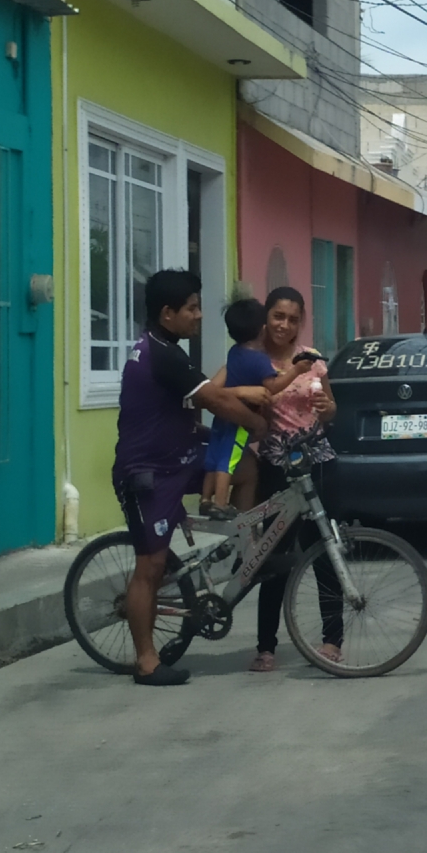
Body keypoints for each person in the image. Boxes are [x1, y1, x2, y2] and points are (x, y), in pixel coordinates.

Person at [113, 270, 267, 686]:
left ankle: (244, 542)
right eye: (192, 309)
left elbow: (183, 415)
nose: (199, 316)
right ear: (168, 314)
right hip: (147, 473)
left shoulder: (168, 349)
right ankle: (146, 662)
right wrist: (259, 425)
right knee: (152, 565)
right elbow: (216, 400)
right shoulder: (161, 354)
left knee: (246, 468)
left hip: (180, 458)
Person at [249, 286, 340, 673]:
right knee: (275, 555)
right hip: (274, 465)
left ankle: (332, 640)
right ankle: (266, 646)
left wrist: (327, 407)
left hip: (316, 461)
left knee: (324, 550)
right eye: (277, 317)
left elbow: (332, 410)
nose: (284, 325)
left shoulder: (314, 361)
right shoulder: (253, 362)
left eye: (292, 318)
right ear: (266, 318)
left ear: (301, 321)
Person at [200, 299, 315, 517]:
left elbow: (217, 388)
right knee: (228, 460)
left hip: (222, 417)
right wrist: (296, 371)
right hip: (240, 418)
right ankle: (220, 504)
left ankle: (206, 499)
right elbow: (272, 387)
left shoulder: (234, 352)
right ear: (263, 329)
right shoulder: (260, 360)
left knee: (213, 457)